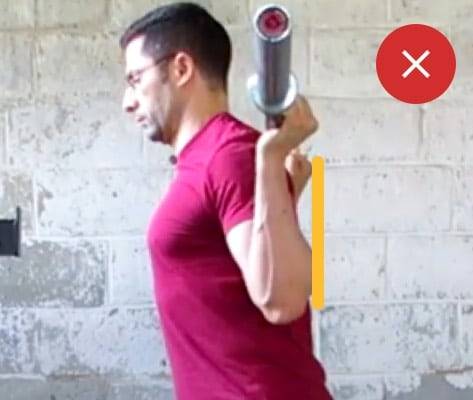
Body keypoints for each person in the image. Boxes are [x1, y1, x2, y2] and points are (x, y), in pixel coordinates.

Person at [119, 3, 328, 398]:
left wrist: (269, 160)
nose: (127, 101)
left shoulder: (228, 154)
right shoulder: (211, 157)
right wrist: (281, 189)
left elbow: (282, 301)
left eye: (135, 79)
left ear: (181, 68)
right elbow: (240, 266)